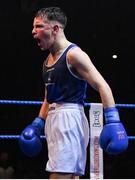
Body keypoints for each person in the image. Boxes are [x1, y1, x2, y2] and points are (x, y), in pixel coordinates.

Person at [19, 7, 128, 179]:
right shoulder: (47, 61)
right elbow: (49, 97)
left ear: (55, 29)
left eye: (38, 26)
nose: (33, 32)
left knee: (60, 175)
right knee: (71, 176)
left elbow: (102, 85)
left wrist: (113, 120)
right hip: (55, 120)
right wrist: (38, 123)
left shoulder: (74, 55)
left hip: (69, 120)